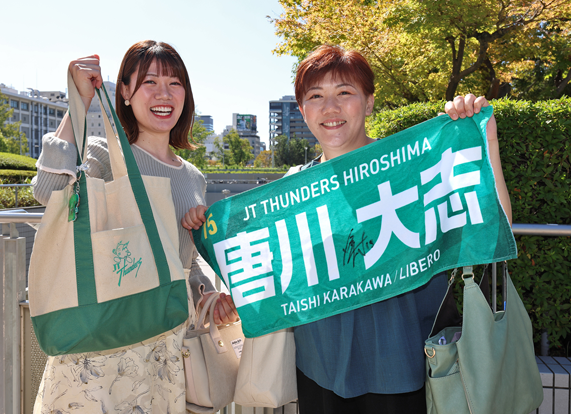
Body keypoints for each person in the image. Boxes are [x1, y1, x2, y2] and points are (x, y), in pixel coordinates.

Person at [182, 44, 512, 414]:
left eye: (344, 92)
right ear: (303, 110)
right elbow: (272, 279)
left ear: (369, 103)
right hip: (319, 369)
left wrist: (487, 141)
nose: (330, 108)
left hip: (406, 366)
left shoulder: (409, 168)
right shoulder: (292, 190)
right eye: (316, 96)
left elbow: (495, 223)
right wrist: (212, 232)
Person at [31, 40, 237, 414]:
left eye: (174, 83)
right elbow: (47, 191)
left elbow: (184, 262)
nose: (164, 94)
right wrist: (79, 103)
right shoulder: (104, 154)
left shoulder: (193, 177)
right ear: (124, 92)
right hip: (105, 338)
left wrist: (207, 295)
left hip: (166, 341)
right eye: (149, 82)